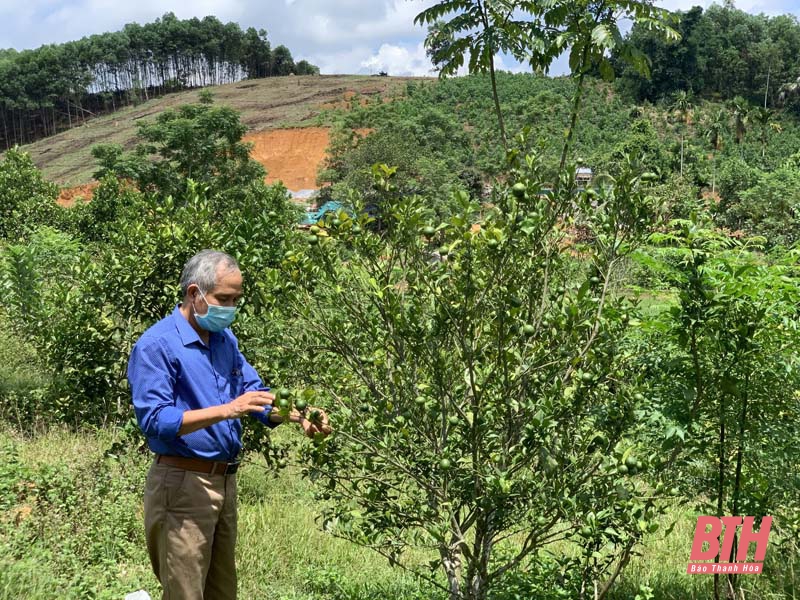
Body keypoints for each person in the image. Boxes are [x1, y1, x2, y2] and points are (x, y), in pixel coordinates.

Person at [128, 249, 331, 599]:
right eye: (224, 298)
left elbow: (253, 393)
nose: (231, 307)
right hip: (182, 484)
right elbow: (155, 421)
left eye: (236, 299)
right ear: (195, 294)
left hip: (223, 482)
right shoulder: (157, 345)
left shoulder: (224, 340)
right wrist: (227, 409)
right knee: (185, 592)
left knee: (222, 591)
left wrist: (299, 415)